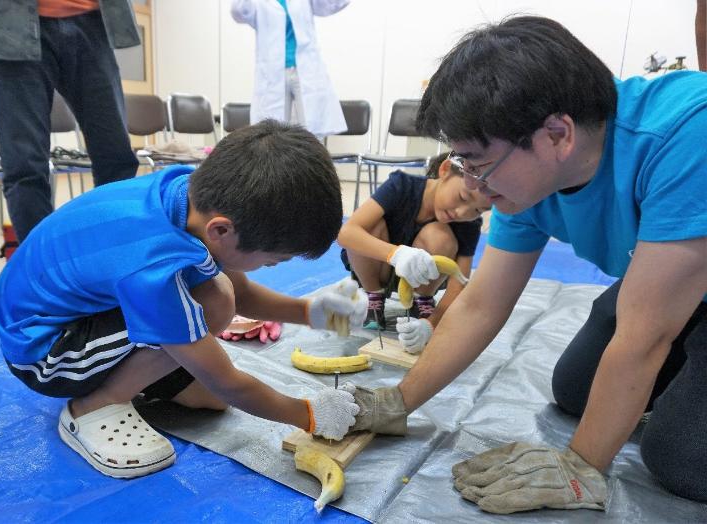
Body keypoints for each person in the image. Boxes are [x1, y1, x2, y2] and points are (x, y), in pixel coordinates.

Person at [347, 15, 707, 514]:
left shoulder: (687, 135)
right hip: (668, 280)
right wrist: (400, 401)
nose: (471, 186)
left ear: (557, 134)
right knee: (576, 390)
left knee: (679, 458)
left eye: (477, 162)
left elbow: (643, 337)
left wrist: (582, 466)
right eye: (462, 162)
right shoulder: (525, 175)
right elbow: (480, 305)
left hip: (685, 282)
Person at [0, 120, 367, 479]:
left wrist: (310, 311)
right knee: (215, 303)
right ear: (222, 230)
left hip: (85, 310)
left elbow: (243, 292)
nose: (270, 267)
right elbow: (229, 382)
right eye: (274, 260)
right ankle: (93, 406)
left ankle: (124, 377)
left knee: (208, 401)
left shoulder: (192, 197)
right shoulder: (155, 266)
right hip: (46, 351)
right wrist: (309, 415)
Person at [0, 0, 141, 242]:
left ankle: (119, 253)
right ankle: (41, 271)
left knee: (116, 157)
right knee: (25, 166)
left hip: (93, 19)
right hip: (6, 23)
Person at [337, 156, 490, 353]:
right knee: (368, 226)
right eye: (462, 197)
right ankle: (374, 296)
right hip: (379, 268)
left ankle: (422, 300)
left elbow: (459, 283)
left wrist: (431, 325)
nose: (462, 212)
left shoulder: (468, 224)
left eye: (478, 210)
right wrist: (396, 254)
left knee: (440, 236)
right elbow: (346, 233)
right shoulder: (401, 186)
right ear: (444, 170)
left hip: (423, 280)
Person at [230, 0, 348, 136]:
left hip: (305, 72)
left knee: (311, 130)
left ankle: (309, 157)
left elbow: (335, 4)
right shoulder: (260, 3)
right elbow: (238, 12)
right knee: (273, 134)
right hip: (272, 76)